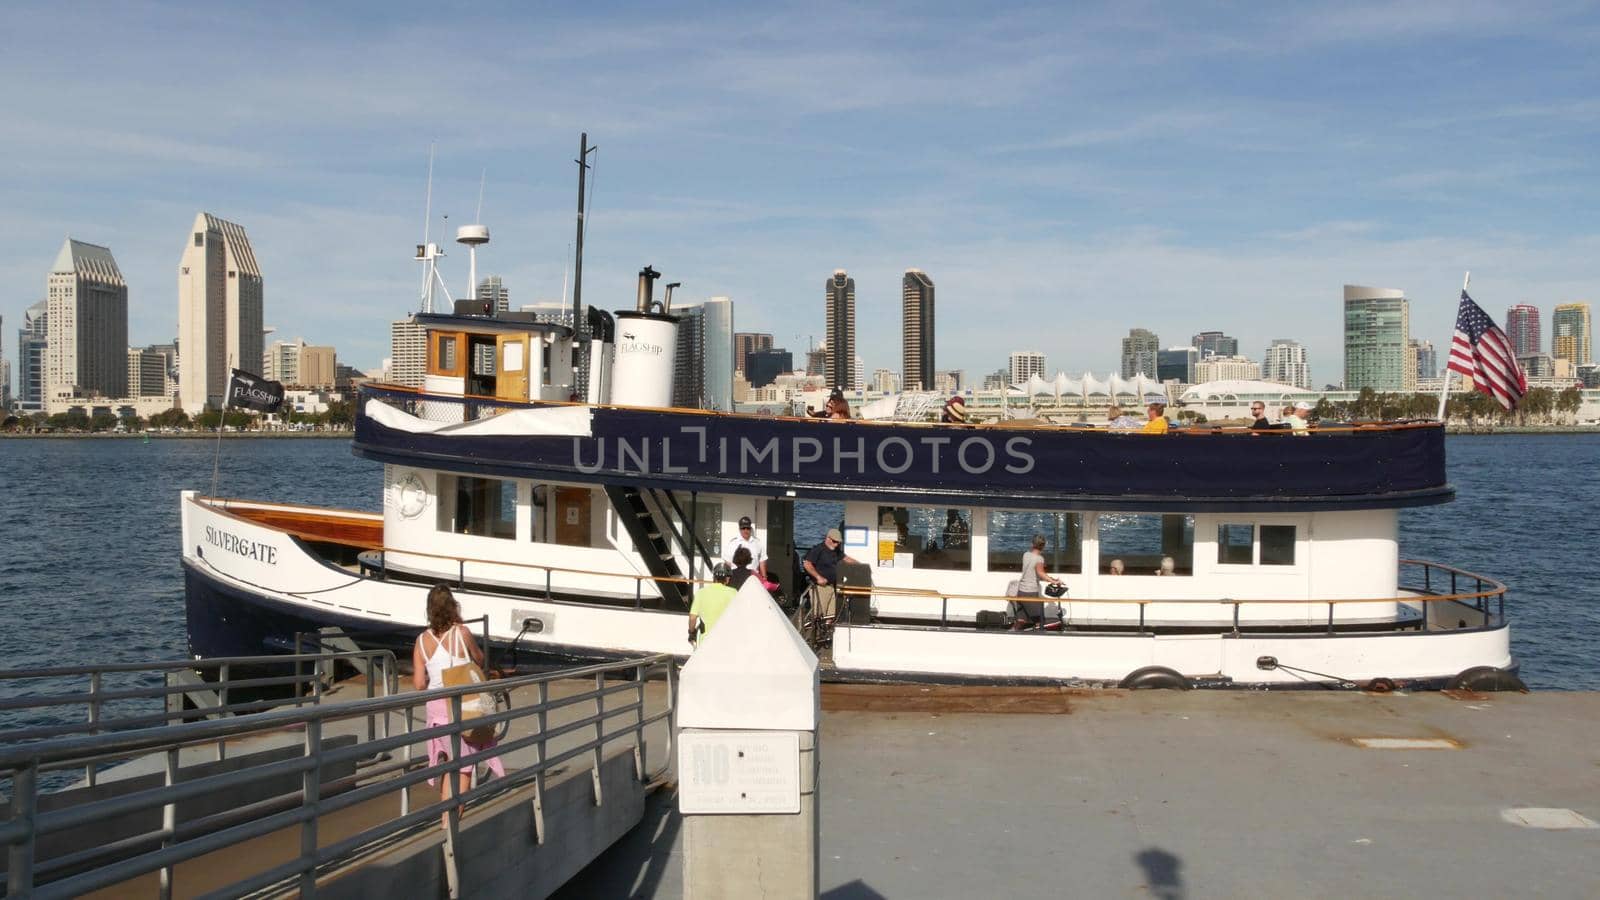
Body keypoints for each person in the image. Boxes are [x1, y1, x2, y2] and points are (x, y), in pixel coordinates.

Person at [412, 585, 505, 827]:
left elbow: (420, 684)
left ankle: (446, 816)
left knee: (450, 762)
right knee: (464, 766)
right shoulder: (461, 633)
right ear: (452, 606)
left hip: (435, 708)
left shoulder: (421, 641)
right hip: (462, 705)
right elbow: (479, 659)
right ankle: (448, 822)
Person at [802, 527, 861, 624]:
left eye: (838, 542)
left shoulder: (836, 551)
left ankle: (827, 633)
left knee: (831, 614)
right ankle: (813, 635)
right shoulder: (818, 549)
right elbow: (807, 564)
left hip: (832, 587)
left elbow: (846, 558)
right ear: (828, 538)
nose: (837, 544)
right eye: (834, 541)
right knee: (819, 614)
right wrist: (818, 577)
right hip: (820, 587)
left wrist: (861, 566)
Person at [1010, 534, 1063, 631]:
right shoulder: (1039, 559)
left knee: (1021, 620)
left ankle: (1010, 633)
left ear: (1032, 543)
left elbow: (1033, 573)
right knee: (1040, 620)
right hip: (1030, 593)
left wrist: (1051, 579)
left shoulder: (1025, 555)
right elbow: (1041, 573)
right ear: (1043, 546)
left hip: (1020, 592)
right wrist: (1054, 582)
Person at [688, 563, 738, 645]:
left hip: (705, 641)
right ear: (727, 578)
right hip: (726, 640)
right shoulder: (733, 593)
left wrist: (691, 633)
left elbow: (692, 618)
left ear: (714, 577)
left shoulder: (701, 593)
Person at [722, 515, 768, 583]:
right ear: (739, 529)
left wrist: (764, 578)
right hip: (736, 578)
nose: (745, 530)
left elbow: (762, 561)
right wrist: (727, 579)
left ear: (750, 528)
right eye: (743, 528)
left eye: (748, 528)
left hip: (753, 579)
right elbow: (727, 563)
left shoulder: (758, 543)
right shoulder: (732, 543)